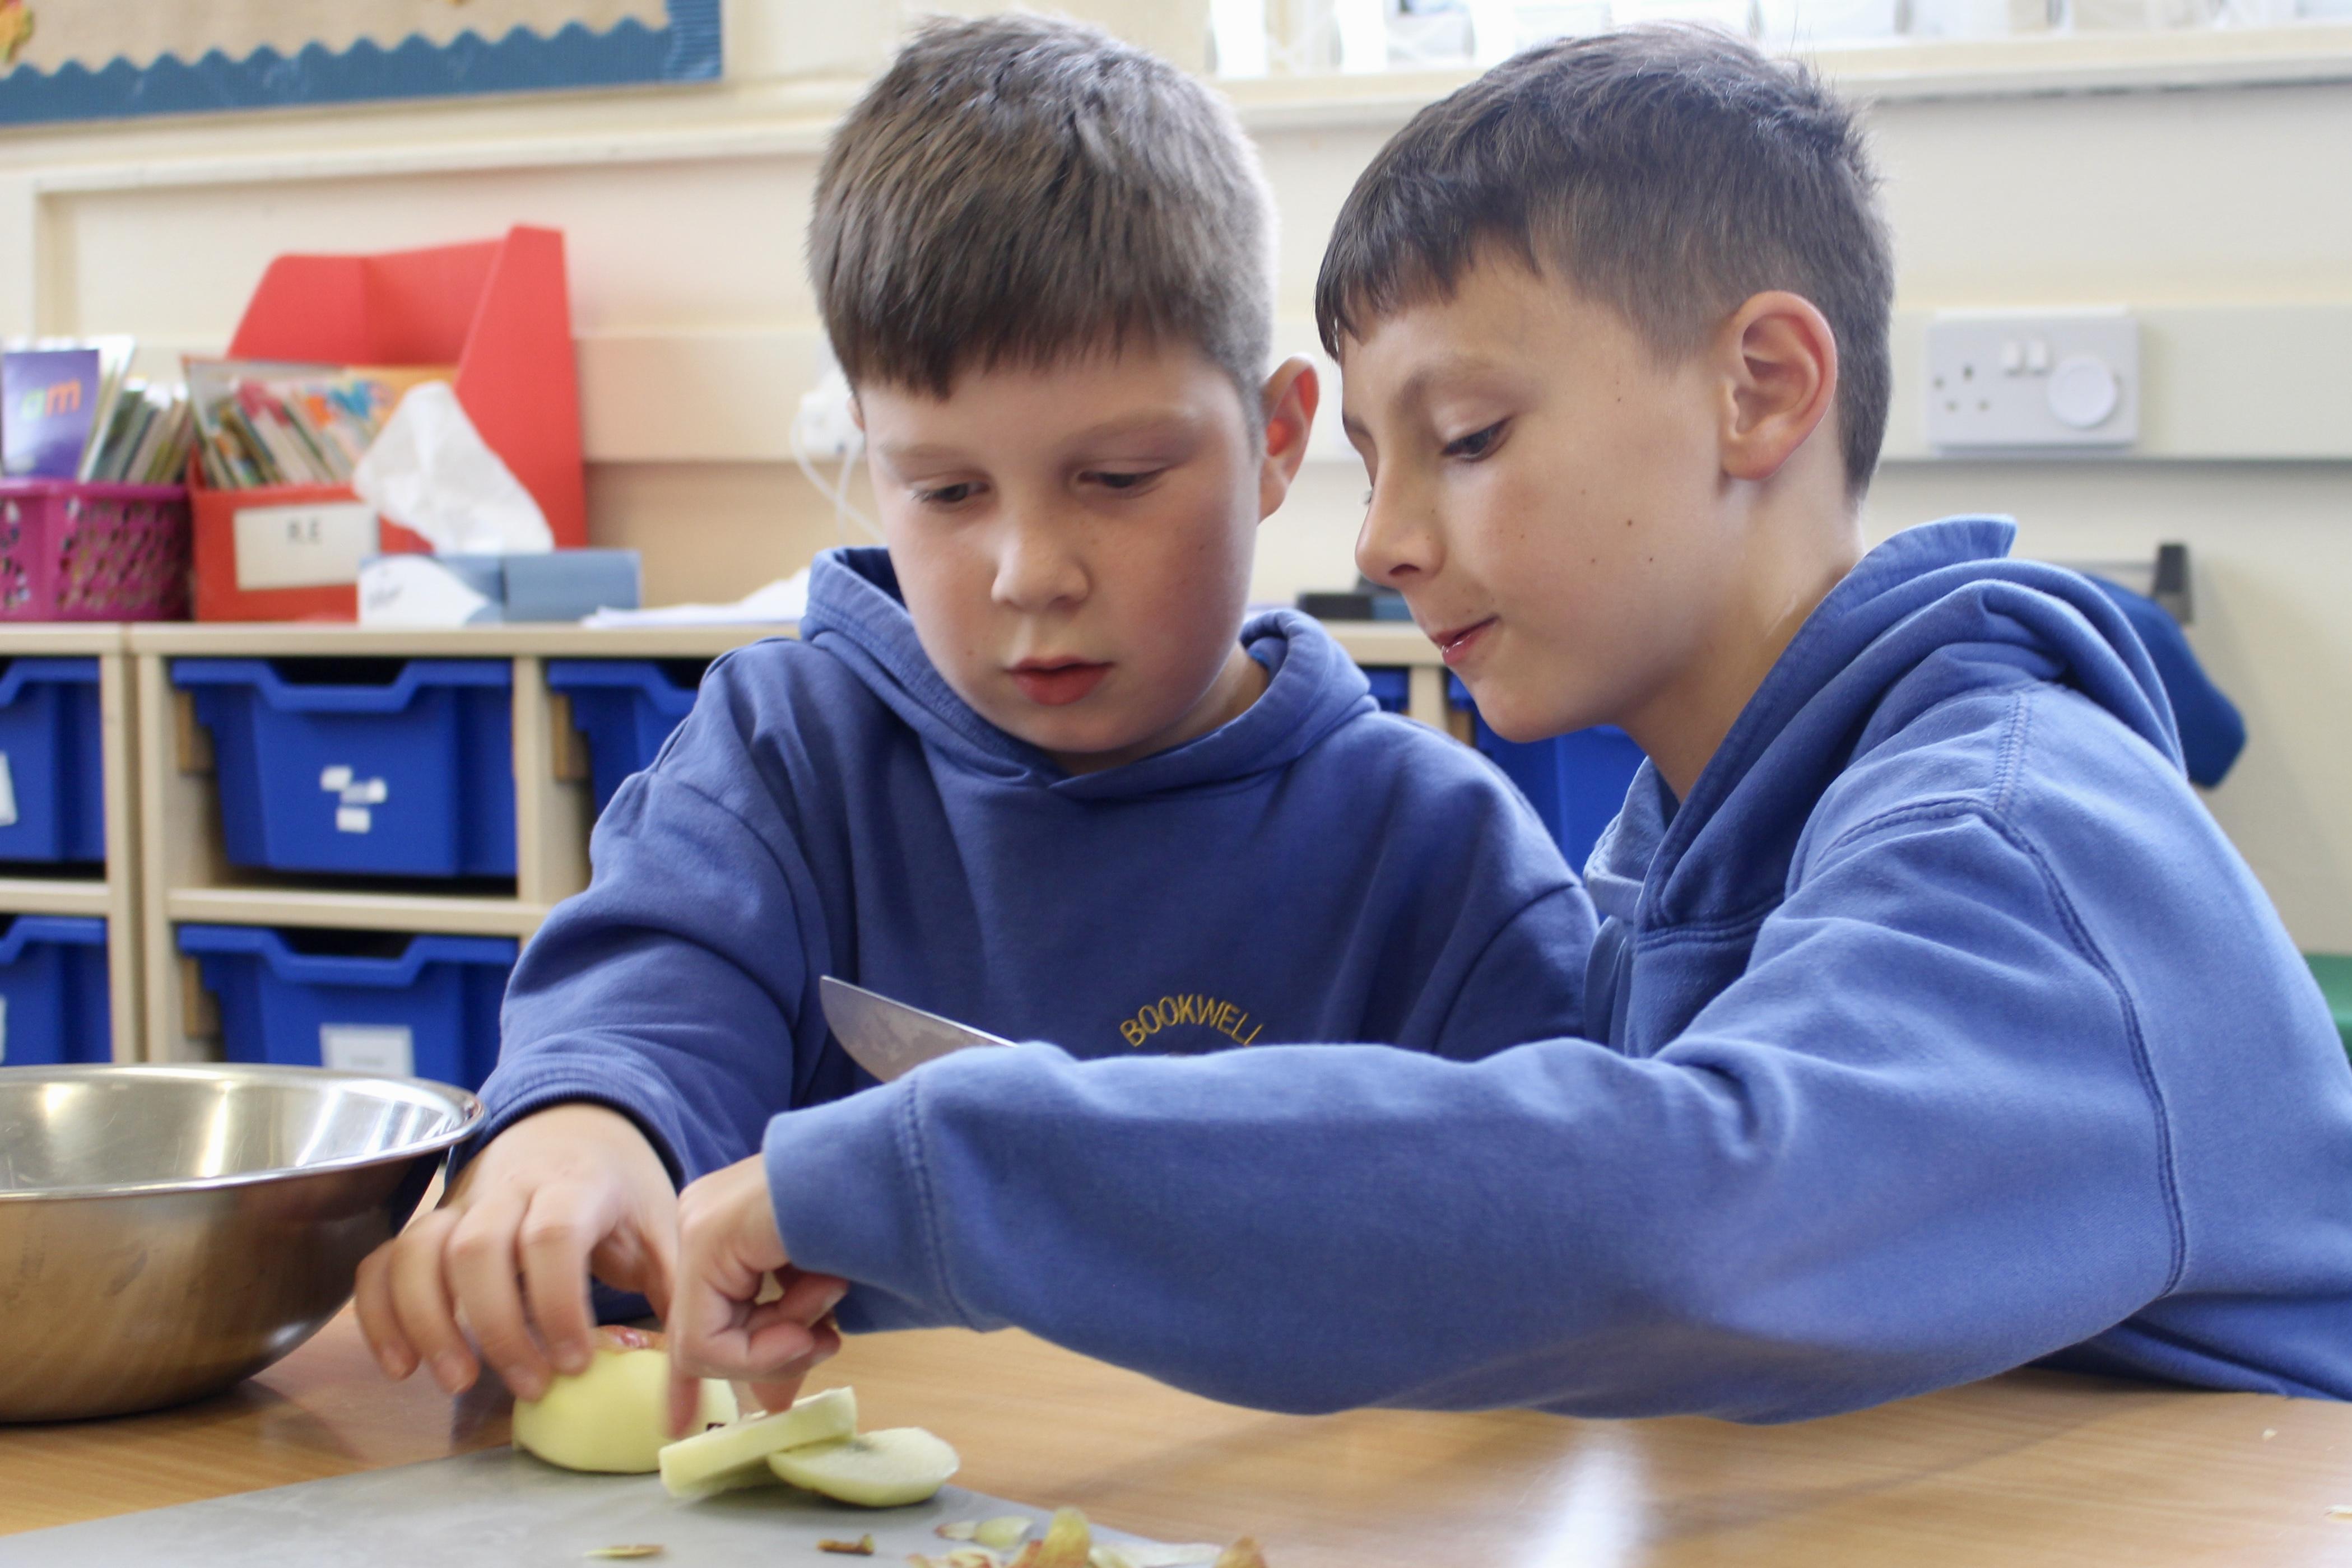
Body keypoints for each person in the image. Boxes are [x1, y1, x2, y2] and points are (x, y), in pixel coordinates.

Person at [662, 25, 2352, 1423]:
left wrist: (947, 1171)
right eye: (1373, 464)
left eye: (1464, 437)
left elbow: (1682, 1222)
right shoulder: (1668, 861)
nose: (1385, 541)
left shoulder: (2006, 831)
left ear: (1759, 387)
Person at [353, 14, 1597, 1413]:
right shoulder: (783, 755)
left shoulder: (1435, 855)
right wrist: (578, 1132)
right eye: (944, 491)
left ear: (1274, 441)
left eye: (1117, 478)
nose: (1029, 572)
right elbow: (650, 994)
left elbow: (1561, 1240)